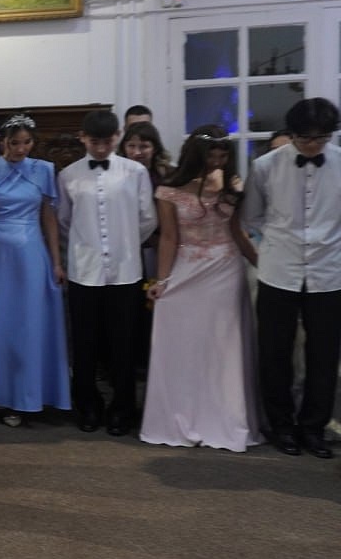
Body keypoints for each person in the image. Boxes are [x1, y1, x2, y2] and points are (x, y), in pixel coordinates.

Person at [140, 127, 261, 451]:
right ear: (196, 155)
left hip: (225, 269)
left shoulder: (232, 184)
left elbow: (237, 231)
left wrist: (262, 264)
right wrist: (161, 281)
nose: (217, 162)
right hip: (187, 267)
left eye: (223, 156)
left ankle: (225, 418)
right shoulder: (169, 189)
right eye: (212, 156)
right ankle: (180, 415)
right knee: (183, 343)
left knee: (222, 347)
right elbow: (169, 237)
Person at [243, 97, 341, 459]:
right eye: (305, 138)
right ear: (293, 133)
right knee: (275, 353)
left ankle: (313, 428)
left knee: (324, 355)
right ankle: (281, 425)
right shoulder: (265, 166)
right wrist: (280, 241)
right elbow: (252, 216)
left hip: (329, 273)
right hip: (278, 271)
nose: (313, 145)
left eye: (321, 138)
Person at [0, 114, 70, 426]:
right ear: (2, 142)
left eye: (26, 143)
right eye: (14, 143)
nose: (21, 149)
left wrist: (56, 262)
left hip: (32, 254)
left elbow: (49, 218)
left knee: (30, 324)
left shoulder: (44, 170)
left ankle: (30, 395)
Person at [59, 110, 158, 436]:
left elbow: (147, 219)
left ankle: (122, 408)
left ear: (117, 137)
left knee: (123, 344)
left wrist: (123, 243)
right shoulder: (69, 175)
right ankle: (87, 405)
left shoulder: (135, 172)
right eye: (94, 142)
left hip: (125, 270)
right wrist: (86, 246)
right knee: (84, 343)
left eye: (107, 141)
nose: (101, 148)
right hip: (84, 271)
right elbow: (64, 221)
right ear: (83, 138)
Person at [118, 121, 173, 381]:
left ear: (155, 148)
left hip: (161, 244)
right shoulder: (118, 174)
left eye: (144, 146)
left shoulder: (167, 175)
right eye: (132, 146)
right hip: (129, 247)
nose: (137, 152)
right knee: (134, 308)